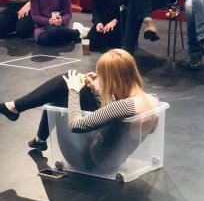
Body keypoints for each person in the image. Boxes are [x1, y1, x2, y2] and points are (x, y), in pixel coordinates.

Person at [0, 49, 160, 159]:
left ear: (112, 78)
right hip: (115, 159)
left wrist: (74, 90)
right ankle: (37, 137)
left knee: (66, 85)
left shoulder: (125, 105)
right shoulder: (153, 100)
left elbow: (76, 125)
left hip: (91, 161)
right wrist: (96, 89)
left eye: (103, 77)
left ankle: (15, 109)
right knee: (68, 86)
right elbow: (115, 124)